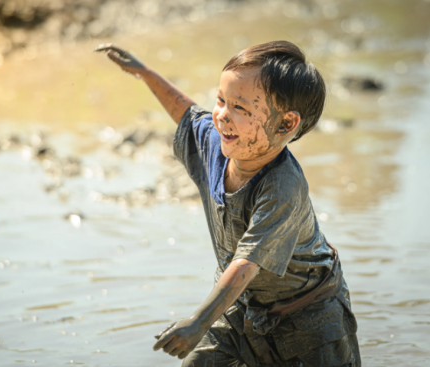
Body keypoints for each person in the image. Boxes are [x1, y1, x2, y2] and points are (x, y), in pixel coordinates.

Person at [95, 40, 360, 367]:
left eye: (241, 108)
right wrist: (145, 73)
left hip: (309, 317)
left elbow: (245, 264)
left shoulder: (283, 186)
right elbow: (187, 113)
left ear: (286, 124)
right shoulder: (215, 146)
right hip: (241, 306)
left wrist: (198, 322)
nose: (222, 116)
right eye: (221, 100)